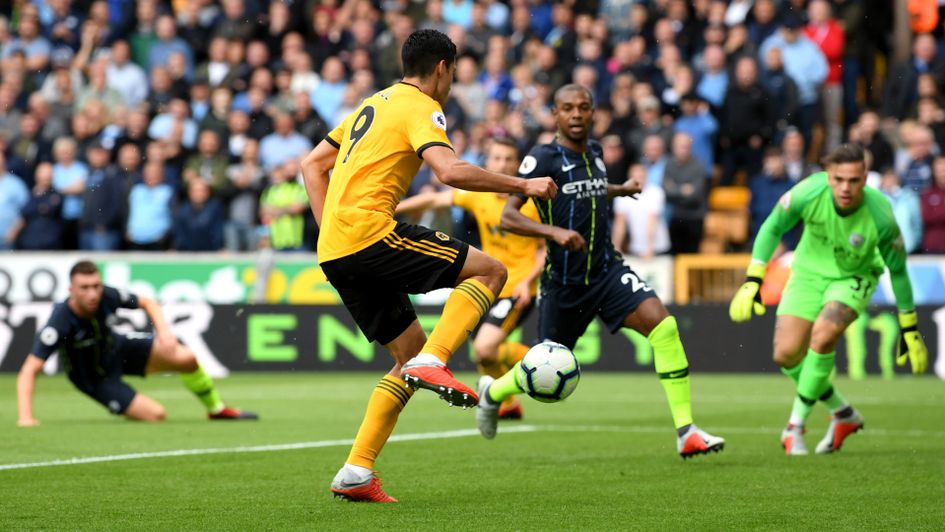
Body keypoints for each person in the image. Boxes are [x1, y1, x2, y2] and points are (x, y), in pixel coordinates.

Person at [299, 29, 556, 503]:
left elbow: (312, 165)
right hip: (372, 234)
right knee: (490, 271)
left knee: (405, 354)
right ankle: (435, 361)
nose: (452, 83)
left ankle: (356, 470)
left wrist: (332, 229)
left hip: (336, 249)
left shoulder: (370, 103)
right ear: (441, 68)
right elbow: (451, 171)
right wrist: (524, 186)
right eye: (453, 73)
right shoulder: (421, 106)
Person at [480, 84, 725, 459]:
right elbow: (508, 216)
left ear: (593, 113)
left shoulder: (595, 152)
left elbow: (587, 189)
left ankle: (686, 431)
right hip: (564, 283)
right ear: (556, 115)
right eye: (568, 108)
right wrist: (554, 232)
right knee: (547, 371)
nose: (576, 114)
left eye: (584, 107)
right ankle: (493, 393)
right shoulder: (542, 157)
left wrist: (619, 189)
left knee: (665, 327)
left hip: (607, 271)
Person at [729, 144, 928, 456]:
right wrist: (754, 278)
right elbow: (772, 226)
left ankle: (794, 426)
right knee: (785, 355)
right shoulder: (808, 191)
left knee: (823, 337)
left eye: (853, 180)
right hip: (807, 275)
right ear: (828, 175)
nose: (846, 187)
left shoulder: (881, 216)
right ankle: (843, 413)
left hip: (853, 278)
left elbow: (899, 271)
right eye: (839, 179)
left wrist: (909, 325)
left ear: (865, 178)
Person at [396, 137, 546, 421]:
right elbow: (434, 199)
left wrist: (528, 281)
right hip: (490, 284)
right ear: (488, 162)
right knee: (485, 356)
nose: (502, 164)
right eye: (496, 158)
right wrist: (392, 210)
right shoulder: (480, 195)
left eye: (507, 159)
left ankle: (547, 361)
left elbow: (545, 249)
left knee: (484, 347)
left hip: (519, 287)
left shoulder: (531, 202)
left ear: (517, 164)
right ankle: (508, 404)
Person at [17, 261, 257, 427]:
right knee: (156, 415)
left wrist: (164, 333)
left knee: (186, 358)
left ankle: (216, 409)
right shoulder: (59, 322)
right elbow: (30, 370)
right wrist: (26, 417)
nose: (92, 294)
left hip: (118, 349)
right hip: (93, 378)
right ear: (71, 290)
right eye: (85, 288)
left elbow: (148, 302)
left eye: (96, 286)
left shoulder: (106, 295)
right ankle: (123, 404)